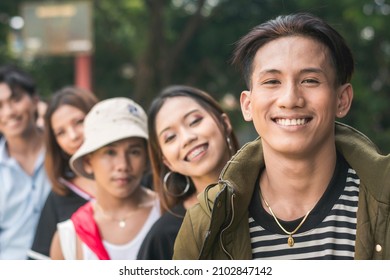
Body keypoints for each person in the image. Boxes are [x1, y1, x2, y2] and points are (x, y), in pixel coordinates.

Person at [173, 13, 390, 260]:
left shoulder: (383, 202)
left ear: (342, 99)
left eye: (310, 80)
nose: (290, 99)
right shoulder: (207, 221)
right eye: (272, 81)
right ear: (247, 105)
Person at [50, 97, 160, 260]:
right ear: (88, 162)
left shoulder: (169, 212)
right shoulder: (68, 239)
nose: (123, 165)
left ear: (146, 159)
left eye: (134, 152)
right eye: (110, 152)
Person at [137, 85, 240, 260]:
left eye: (195, 121)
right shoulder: (164, 237)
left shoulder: (280, 199)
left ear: (224, 123)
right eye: (170, 137)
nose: (187, 138)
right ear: (167, 162)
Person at [28, 86, 99, 260]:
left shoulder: (136, 179)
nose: (73, 136)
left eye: (79, 122)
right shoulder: (60, 195)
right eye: (61, 132)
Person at [0, 65, 51, 259]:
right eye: (0, 106)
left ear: (35, 101)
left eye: (16, 99)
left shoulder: (62, 154)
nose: (9, 112)